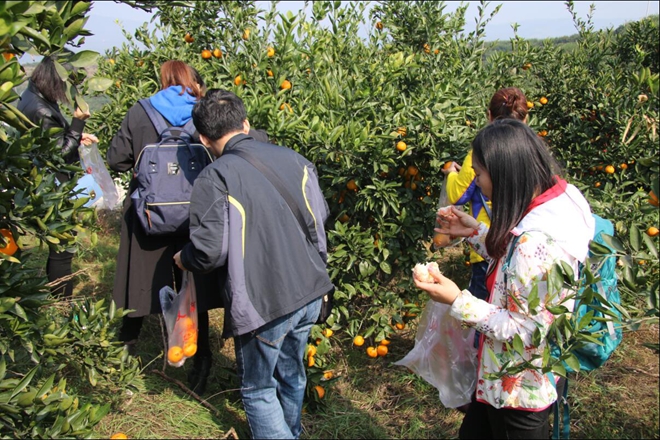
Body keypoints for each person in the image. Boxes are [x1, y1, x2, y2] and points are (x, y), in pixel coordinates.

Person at [414, 118, 595, 439]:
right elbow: (521, 262)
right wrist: (475, 231)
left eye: (480, 173)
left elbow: (526, 328)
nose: (478, 182)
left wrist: (457, 300)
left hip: (518, 394)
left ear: (504, 173)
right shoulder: (561, 199)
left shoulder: (536, 239)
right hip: (502, 381)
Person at [173, 89, 334, 439]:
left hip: (265, 302)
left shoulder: (215, 177)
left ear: (203, 138)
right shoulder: (295, 159)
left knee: (258, 389)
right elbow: (319, 218)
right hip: (310, 288)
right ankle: (291, 431)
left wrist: (182, 258)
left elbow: (208, 252)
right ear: (245, 123)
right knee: (292, 374)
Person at [107, 60, 224, 394]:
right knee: (193, 292)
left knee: (139, 284)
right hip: (193, 215)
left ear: (163, 80)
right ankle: (200, 365)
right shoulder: (204, 112)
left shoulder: (141, 111)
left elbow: (117, 159)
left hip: (149, 215)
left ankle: (125, 363)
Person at [17, 55, 98, 297]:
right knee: (62, 250)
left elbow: (49, 143)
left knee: (59, 247)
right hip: (54, 188)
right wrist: (77, 124)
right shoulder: (42, 109)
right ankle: (62, 302)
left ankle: (58, 299)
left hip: (44, 181)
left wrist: (74, 135)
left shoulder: (31, 96)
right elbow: (58, 157)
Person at [442, 87, 529, 303]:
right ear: (525, 119)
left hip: (491, 244)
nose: (479, 178)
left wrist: (452, 174)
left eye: (479, 173)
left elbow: (458, 195)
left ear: (489, 116)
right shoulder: (532, 153)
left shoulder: (484, 151)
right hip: (523, 250)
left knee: (487, 311)